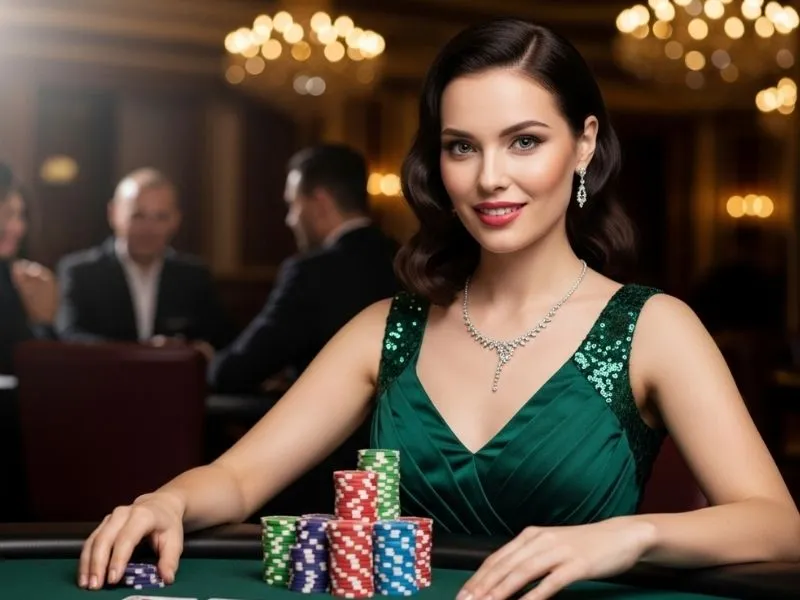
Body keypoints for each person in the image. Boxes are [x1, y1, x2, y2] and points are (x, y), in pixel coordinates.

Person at [77, 18, 800, 600]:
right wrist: (166, 502)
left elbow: (778, 524)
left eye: (524, 141)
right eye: (462, 147)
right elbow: (238, 479)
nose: (491, 178)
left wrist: (632, 535)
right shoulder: (384, 331)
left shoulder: (655, 328)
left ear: (582, 145)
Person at [207, 143, 399, 393]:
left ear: (320, 203)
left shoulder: (310, 273)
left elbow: (236, 371)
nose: (290, 219)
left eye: (293, 204)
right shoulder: (406, 260)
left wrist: (208, 361)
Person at [55, 168, 233, 351]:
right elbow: (70, 336)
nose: (149, 228)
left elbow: (220, 338)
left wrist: (185, 349)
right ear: (113, 214)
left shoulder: (195, 276)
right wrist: (141, 355)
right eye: (138, 216)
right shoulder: (81, 272)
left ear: (176, 220)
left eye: (160, 217)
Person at [0, 163, 58, 375]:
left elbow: (40, 370)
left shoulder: (12, 278)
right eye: (7, 214)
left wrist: (42, 319)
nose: (19, 228)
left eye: (20, 215)